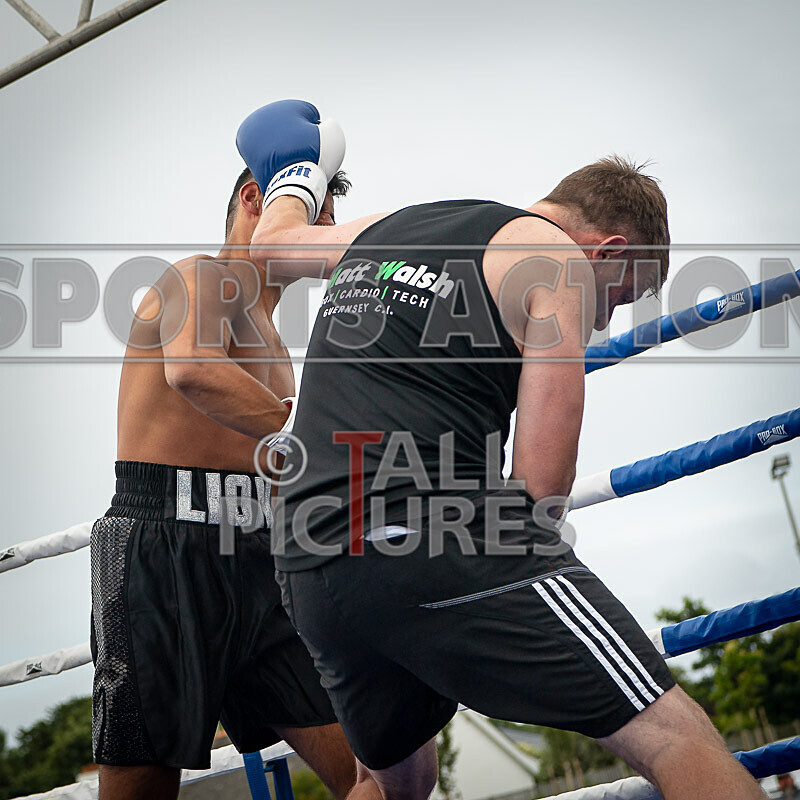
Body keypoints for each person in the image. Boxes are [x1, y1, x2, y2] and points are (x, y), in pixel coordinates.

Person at [237, 99, 766, 800]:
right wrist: (498, 602)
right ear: (606, 251)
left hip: (307, 558)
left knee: (396, 782)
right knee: (677, 738)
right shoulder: (558, 264)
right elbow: (542, 488)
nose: (603, 319)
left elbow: (271, 247)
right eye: (619, 296)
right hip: (425, 537)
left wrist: (298, 173)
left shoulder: (391, 227)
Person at [89, 164, 360, 800]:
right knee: (142, 788)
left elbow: (288, 467)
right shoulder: (199, 276)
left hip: (264, 561)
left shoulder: (279, 345)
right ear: (255, 200)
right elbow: (193, 370)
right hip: (162, 548)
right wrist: (306, 428)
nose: (323, 232)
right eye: (314, 213)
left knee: (376, 773)